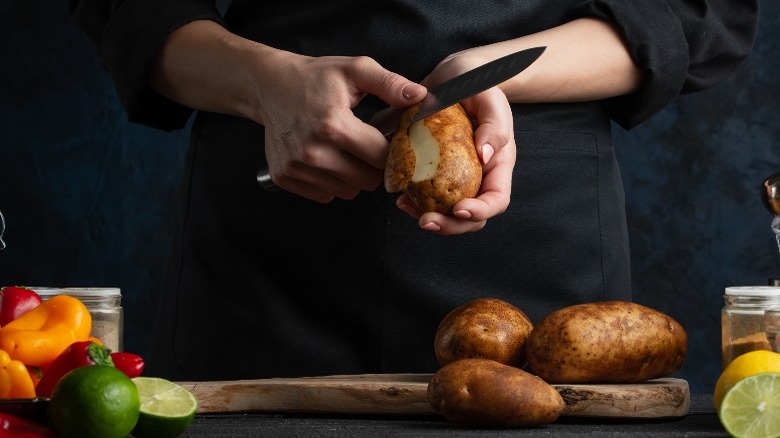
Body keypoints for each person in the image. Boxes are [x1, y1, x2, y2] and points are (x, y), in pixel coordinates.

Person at [69, 0, 757, 380]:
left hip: (538, 246)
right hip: (268, 252)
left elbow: (702, 9)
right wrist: (264, 82)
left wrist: (493, 72)